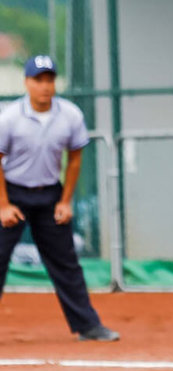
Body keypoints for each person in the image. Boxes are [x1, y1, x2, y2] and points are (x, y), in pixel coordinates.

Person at [0, 55, 119, 342]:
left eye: (49, 79)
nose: (44, 86)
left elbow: (74, 159)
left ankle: (88, 326)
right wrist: (3, 205)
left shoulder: (70, 115)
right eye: (38, 80)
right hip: (13, 193)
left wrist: (65, 201)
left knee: (66, 263)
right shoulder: (10, 117)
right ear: (27, 83)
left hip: (50, 194)